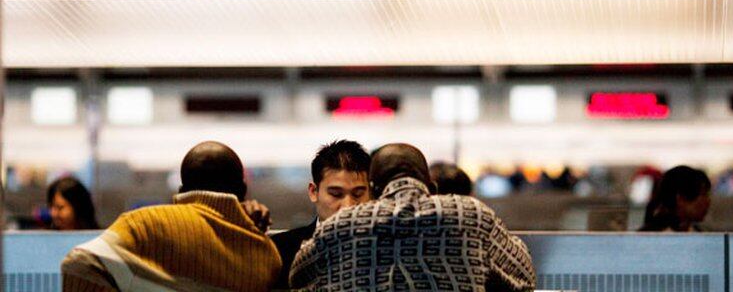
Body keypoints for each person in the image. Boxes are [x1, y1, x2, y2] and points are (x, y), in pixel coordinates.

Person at [290, 143, 536, 292]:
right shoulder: (473, 215)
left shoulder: (340, 226)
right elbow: (524, 278)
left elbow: (298, 280)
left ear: (374, 189)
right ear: (432, 187)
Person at [61, 141, 281, 291]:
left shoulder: (144, 225)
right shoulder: (266, 256)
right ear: (243, 191)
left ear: (182, 189)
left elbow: (79, 264)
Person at [271, 140, 371, 290]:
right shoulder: (279, 251)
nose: (348, 206)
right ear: (313, 192)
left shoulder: (388, 250)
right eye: (336, 194)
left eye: (358, 194)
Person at [639, 165, 712, 232]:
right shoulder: (649, 237)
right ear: (680, 199)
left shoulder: (702, 235)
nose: (708, 201)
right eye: (703, 194)